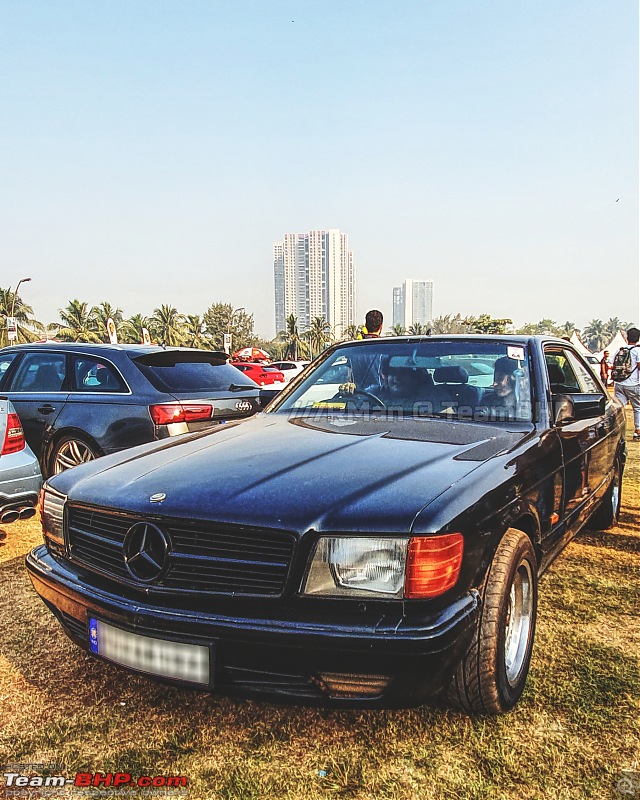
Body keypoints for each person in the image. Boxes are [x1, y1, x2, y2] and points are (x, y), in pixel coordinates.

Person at [612, 327, 640, 441]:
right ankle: (637, 431)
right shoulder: (637, 351)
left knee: (620, 408)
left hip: (619, 383)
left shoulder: (619, 350)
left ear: (627, 337)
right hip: (633, 384)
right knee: (637, 407)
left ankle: (617, 431)